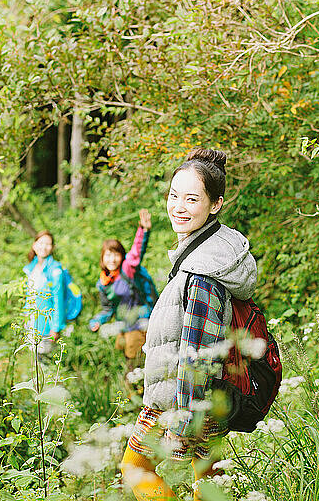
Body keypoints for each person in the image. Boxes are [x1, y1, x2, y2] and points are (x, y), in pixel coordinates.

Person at [121, 148, 258, 501]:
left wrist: (181, 424)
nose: (178, 207)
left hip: (180, 400)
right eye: (174, 195)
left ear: (215, 204)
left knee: (135, 469)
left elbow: (198, 354)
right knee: (208, 486)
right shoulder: (207, 253)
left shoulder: (203, 272)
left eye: (191, 199)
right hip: (206, 399)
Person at [89, 208, 153, 362]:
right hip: (123, 325)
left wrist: (143, 230)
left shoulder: (127, 269)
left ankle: (135, 386)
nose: (112, 259)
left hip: (140, 323)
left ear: (121, 256)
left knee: (135, 361)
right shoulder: (103, 282)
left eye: (116, 254)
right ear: (102, 258)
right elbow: (108, 308)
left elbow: (137, 252)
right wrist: (97, 321)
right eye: (108, 255)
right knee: (123, 356)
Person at [23, 230, 66, 355]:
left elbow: (58, 300)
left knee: (45, 363)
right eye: (41, 243)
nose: (44, 247)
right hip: (31, 324)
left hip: (46, 326)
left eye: (48, 244)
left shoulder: (55, 270)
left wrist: (55, 328)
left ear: (52, 248)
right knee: (34, 362)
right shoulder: (31, 268)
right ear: (34, 245)